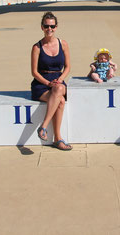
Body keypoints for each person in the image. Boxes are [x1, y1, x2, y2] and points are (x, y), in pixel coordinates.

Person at [31, 11, 72, 150]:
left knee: (59, 89)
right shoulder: (37, 47)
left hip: (58, 80)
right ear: (42, 27)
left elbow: (67, 67)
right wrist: (48, 83)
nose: (50, 29)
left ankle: (43, 126)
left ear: (56, 27)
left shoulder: (63, 44)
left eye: (52, 26)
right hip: (41, 84)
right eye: (46, 26)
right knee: (60, 100)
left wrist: (60, 79)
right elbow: (34, 72)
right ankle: (58, 138)